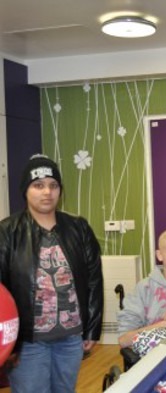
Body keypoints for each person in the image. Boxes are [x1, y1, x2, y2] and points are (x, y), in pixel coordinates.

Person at [0, 154, 103, 393]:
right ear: (26, 190)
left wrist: (92, 329)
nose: (47, 192)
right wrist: (8, 342)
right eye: (38, 185)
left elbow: (94, 281)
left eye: (53, 185)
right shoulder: (7, 232)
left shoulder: (79, 228)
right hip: (27, 342)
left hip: (70, 338)